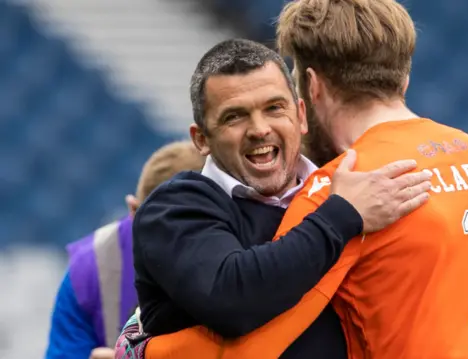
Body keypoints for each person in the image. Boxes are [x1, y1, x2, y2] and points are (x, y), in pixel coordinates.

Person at [132, 0, 468, 357]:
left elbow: (255, 349)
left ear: (312, 88)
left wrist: (147, 352)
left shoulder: (345, 191)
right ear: (403, 78)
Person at [120, 39, 431, 359]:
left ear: (300, 115)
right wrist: (340, 217)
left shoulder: (352, 190)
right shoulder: (173, 210)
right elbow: (232, 300)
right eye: (234, 117)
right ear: (202, 139)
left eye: (274, 108)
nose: (259, 129)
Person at [45, 141, 206, 359]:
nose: (175, 248)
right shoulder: (90, 270)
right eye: (162, 230)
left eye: (194, 230)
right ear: (133, 211)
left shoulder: (257, 255)